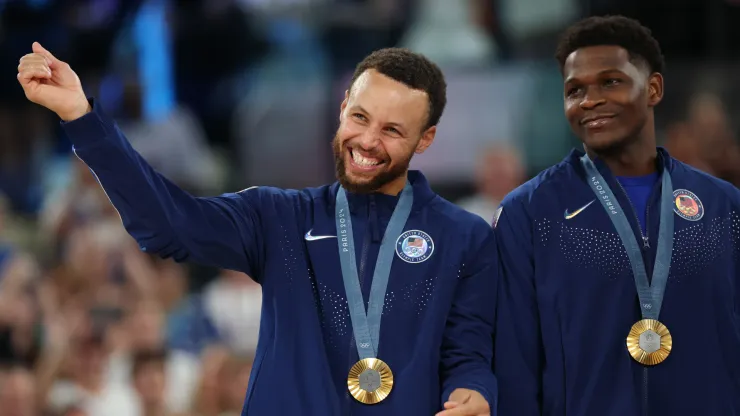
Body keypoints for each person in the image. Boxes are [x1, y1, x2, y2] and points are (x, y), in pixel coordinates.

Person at [17, 43, 498, 415]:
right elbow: (167, 224)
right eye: (360, 117)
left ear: (426, 139)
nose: (367, 141)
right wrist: (82, 119)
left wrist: (473, 392)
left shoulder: (464, 238)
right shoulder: (279, 218)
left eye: (393, 131)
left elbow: (469, 350)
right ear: (343, 105)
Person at [493, 15, 740, 416]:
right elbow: (514, 364)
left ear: (654, 88)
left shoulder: (723, 207)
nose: (589, 100)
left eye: (610, 82)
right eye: (575, 90)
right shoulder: (529, 213)